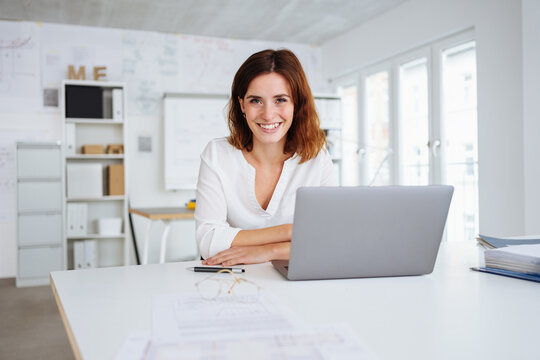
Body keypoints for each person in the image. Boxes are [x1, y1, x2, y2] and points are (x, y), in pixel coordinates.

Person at [195, 49, 337, 266]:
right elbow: (207, 240)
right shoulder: (217, 154)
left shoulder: (317, 157)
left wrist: (269, 252)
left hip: (295, 282)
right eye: (256, 101)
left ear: (296, 103)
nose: (268, 114)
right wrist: (291, 232)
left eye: (280, 99)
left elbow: (330, 239)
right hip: (234, 281)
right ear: (242, 104)